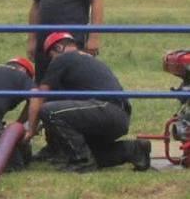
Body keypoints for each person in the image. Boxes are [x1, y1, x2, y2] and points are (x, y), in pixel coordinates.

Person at [24, 32, 150, 172]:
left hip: (104, 109)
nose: (52, 60)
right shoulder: (89, 60)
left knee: (49, 111)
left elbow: (40, 95)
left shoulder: (63, 58)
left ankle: (82, 162)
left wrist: (31, 129)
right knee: (88, 152)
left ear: (59, 48)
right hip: (119, 116)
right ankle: (133, 149)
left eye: (51, 55)